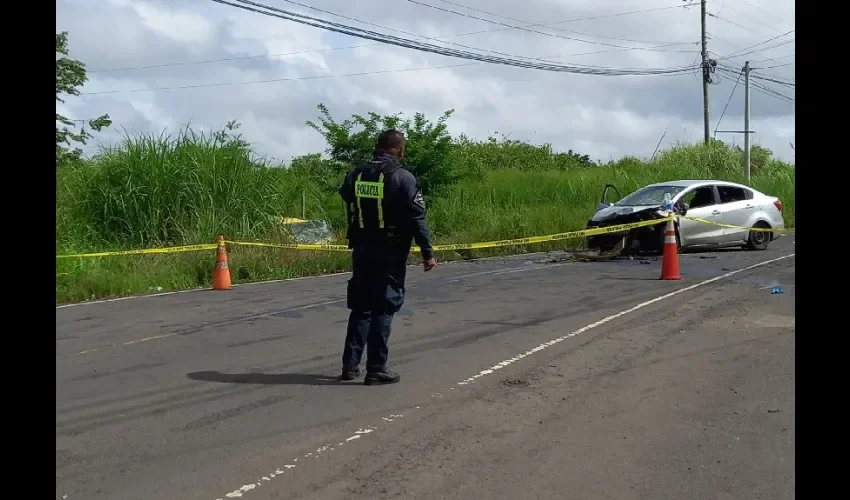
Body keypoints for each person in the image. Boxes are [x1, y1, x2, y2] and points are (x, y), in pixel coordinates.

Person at [337, 129, 437, 385]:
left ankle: (350, 366)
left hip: (361, 249)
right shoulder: (403, 177)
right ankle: (377, 368)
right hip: (391, 252)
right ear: (400, 150)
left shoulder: (356, 174)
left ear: (377, 148)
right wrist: (427, 252)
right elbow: (417, 218)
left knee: (361, 306)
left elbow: (345, 194)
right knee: (384, 306)